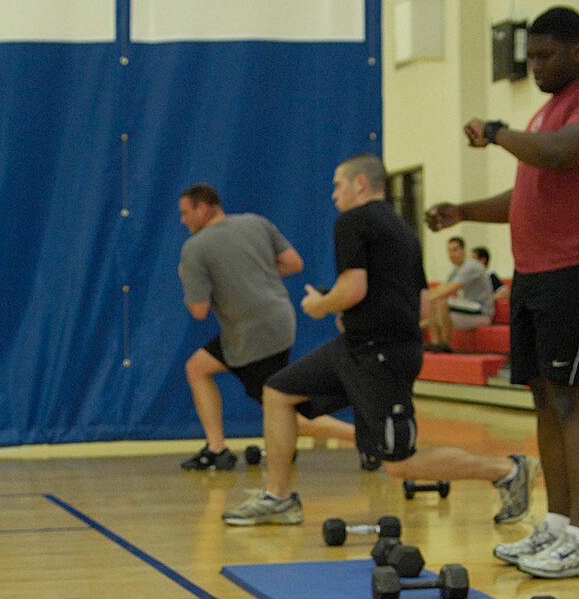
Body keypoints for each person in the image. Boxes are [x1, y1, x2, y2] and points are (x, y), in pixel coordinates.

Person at [223, 154, 536, 527]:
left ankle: (507, 470)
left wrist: (322, 305)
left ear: (359, 184)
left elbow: (353, 287)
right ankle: (278, 497)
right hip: (359, 346)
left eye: (338, 185)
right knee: (277, 392)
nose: (334, 195)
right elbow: (419, 303)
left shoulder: (352, 221)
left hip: (380, 355)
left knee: (399, 463)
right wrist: (359, 316)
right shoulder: (404, 230)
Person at [428, 5, 579, 579]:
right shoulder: (543, 115)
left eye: (545, 56)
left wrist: (495, 133)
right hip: (534, 272)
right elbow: (528, 195)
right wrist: (464, 210)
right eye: (531, 56)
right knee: (543, 396)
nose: (536, 66)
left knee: (573, 398)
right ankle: (559, 525)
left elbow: (562, 155)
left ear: (577, 51)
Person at [176, 183, 356, 470]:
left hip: (252, 335)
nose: (183, 220)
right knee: (198, 367)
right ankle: (217, 448)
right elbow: (294, 263)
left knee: (280, 408)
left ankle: (365, 437)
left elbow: (198, 310)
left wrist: (188, 280)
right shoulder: (256, 222)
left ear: (204, 207)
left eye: (186, 213)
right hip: (278, 320)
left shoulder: (195, 248)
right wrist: (252, 275)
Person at [420, 235, 494, 350]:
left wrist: (426, 299)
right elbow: (443, 287)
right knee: (436, 302)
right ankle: (435, 343)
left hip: (482, 311)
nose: (451, 254)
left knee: (442, 302)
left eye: (455, 250)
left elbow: (451, 289)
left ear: (463, 250)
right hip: (469, 308)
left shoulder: (471, 267)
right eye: (449, 251)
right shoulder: (456, 269)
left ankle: (445, 344)